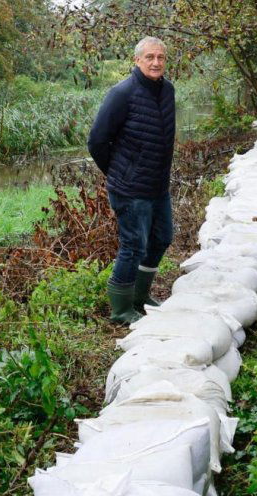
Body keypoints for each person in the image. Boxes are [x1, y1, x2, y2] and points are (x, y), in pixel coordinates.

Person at [87, 36, 176, 324]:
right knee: (133, 246)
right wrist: (119, 174)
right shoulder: (121, 93)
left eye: (160, 57)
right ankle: (121, 310)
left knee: (162, 238)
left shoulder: (168, 91)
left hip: (157, 186)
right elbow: (97, 140)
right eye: (149, 57)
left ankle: (140, 296)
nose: (156, 62)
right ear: (137, 60)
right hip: (130, 188)